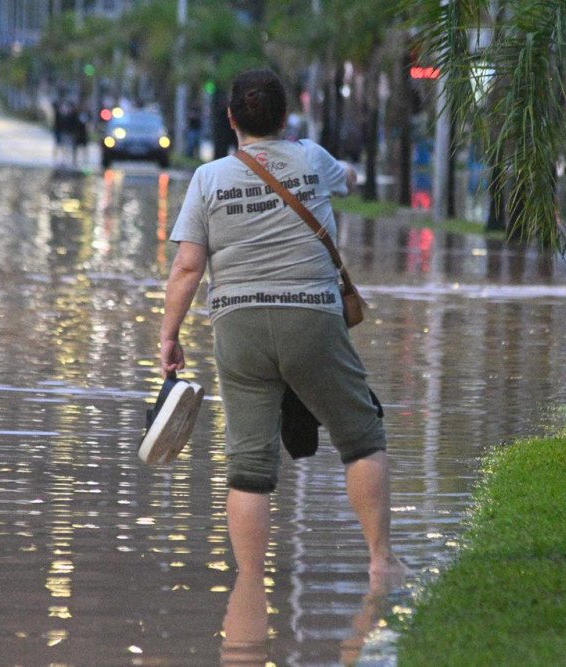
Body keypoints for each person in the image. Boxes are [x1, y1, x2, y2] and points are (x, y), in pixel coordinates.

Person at [160, 69, 407, 590]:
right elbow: (348, 178)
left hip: (238, 327)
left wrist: (169, 336)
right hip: (312, 319)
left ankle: (250, 585)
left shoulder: (207, 179)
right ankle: (381, 562)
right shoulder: (311, 158)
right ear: (286, 117)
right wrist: (346, 175)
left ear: (231, 118)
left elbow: (187, 267)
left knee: (249, 467)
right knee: (361, 438)